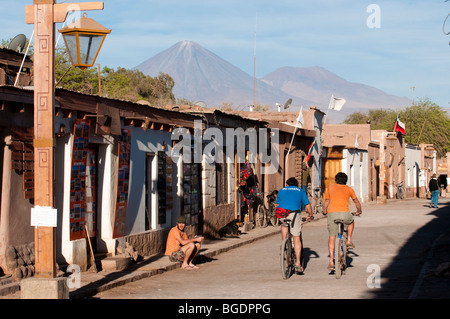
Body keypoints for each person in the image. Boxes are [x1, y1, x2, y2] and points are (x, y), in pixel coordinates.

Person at [323, 172, 362, 271]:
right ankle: (349, 240)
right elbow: (356, 201)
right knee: (351, 221)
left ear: (335, 180)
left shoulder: (330, 188)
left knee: (332, 237)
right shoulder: (349, 189)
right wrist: (359, 211)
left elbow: (326, 201)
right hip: (345, 214)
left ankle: (331, 261)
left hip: (332, 214)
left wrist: (324, 211)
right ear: (346, 181)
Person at [276, 177, 313, 274]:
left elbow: (278, 203)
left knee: (284, 225)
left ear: (287, 184)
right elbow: (308, 205)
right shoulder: (300, 191)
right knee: (296, 238)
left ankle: (284, 243)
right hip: (294, 214)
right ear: (296, 185)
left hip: (282, 214)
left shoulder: (281, 190)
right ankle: (298, 263)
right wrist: (310, 215)